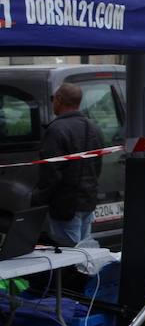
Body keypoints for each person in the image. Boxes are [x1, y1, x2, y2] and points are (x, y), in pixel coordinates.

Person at [35, 83, 104, 246]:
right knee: (84, 254)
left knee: (68, 254)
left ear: (59, 99)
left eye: (54, 99)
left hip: (65, 205)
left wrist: (38, 200)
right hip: (87, 201)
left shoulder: (56, 130)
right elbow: (97, 165)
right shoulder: (93, 127)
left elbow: (51, 172)